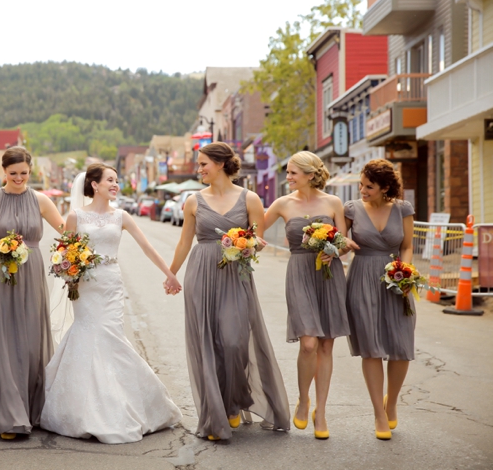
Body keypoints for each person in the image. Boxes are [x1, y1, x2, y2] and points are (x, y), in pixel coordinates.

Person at [39, 163, 183, 444]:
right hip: (86, 287)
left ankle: (119, 405)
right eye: (111, 180)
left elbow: (147, 247)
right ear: (95, 185)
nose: (116, 185)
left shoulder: (122, 216)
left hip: (111, 285)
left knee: (112, 338)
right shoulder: (75, 216)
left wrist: (170, 274)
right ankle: (82, 409)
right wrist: (71, 276)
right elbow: (63, 252)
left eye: (117, 180)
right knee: (87, 336)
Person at [170, 142, 290, 441]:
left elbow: (258, 239)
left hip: (235, 275)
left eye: (203, 164)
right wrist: (171, 272)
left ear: (221, 164)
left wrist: (248, 245)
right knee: (208, 345)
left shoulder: (250, 199)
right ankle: (216, 414)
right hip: (201, 274)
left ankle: (235, 400)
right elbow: (185, 242)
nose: (199, 169)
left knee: (234, 341)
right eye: (198, 165)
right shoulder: (193, 201)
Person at [0, 147, 65, 440]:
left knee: (32, 341)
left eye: (24, 173)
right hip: (0, 275)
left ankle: (34, 411)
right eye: (13, 173)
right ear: (4, 172)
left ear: (30, 172)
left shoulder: (42, 200)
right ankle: (10, 416)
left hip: (32, 274)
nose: (19, 178)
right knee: (5, 342)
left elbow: (66, 233)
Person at [263, 151, 350, 440]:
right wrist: (237, 244)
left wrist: (335, 249)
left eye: (292, 173)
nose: (287, 178)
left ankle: (321, 411)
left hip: (329, 274)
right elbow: (254, 230)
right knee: (309, 343)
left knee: (326, 345)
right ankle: (303, 399)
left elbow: (345, 241)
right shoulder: (282, 203)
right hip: (300, 272)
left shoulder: (333, 202)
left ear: (310, 175)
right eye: (287, 172)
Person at [343, 159, 415, 441]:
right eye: (361, 184)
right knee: (371, 347)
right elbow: (342, 245)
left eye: (369, 187)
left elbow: (407, 246)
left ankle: (392, 401)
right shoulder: (351, 210)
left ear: (385, 188)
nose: (362, 190)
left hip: (396, 278)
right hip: (361, 278)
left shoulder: (403, 209)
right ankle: (378, 413)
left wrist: (405, 271)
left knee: (401, 345)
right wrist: (332, 248)